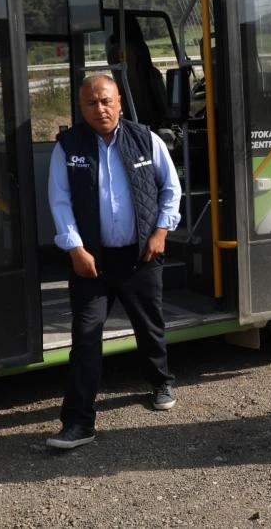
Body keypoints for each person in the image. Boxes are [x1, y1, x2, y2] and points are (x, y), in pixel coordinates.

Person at [46, 73, 182, 450]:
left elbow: (171, 188)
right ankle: (78, 423)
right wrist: (74, 248)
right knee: (85, 339)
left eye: (106, 101)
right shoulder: (67, 147)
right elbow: (60, 202)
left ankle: (160, 381)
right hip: (91, 262)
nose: (100, 108)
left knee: (149, 325)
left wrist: (161, 232)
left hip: (141, 255)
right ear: (81, 107)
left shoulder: (146, 139)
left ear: (119, 101)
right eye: (91, 103)